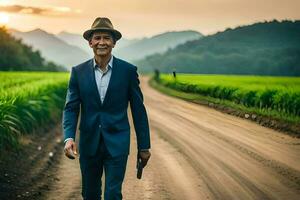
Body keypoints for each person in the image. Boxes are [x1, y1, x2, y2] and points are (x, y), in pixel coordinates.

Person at [62, 17, 151, 200]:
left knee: (112, 194)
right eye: (97, 38)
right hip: (89, 144)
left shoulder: (127, 71)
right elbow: (71, 108)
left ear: (114, 43)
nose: (102, 42)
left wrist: (144, 146)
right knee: (90, 193)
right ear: (90, 42)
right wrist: (69, 138)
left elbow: (138, 110)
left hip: (117, 143)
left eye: (106, 38)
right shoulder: (78, 72)